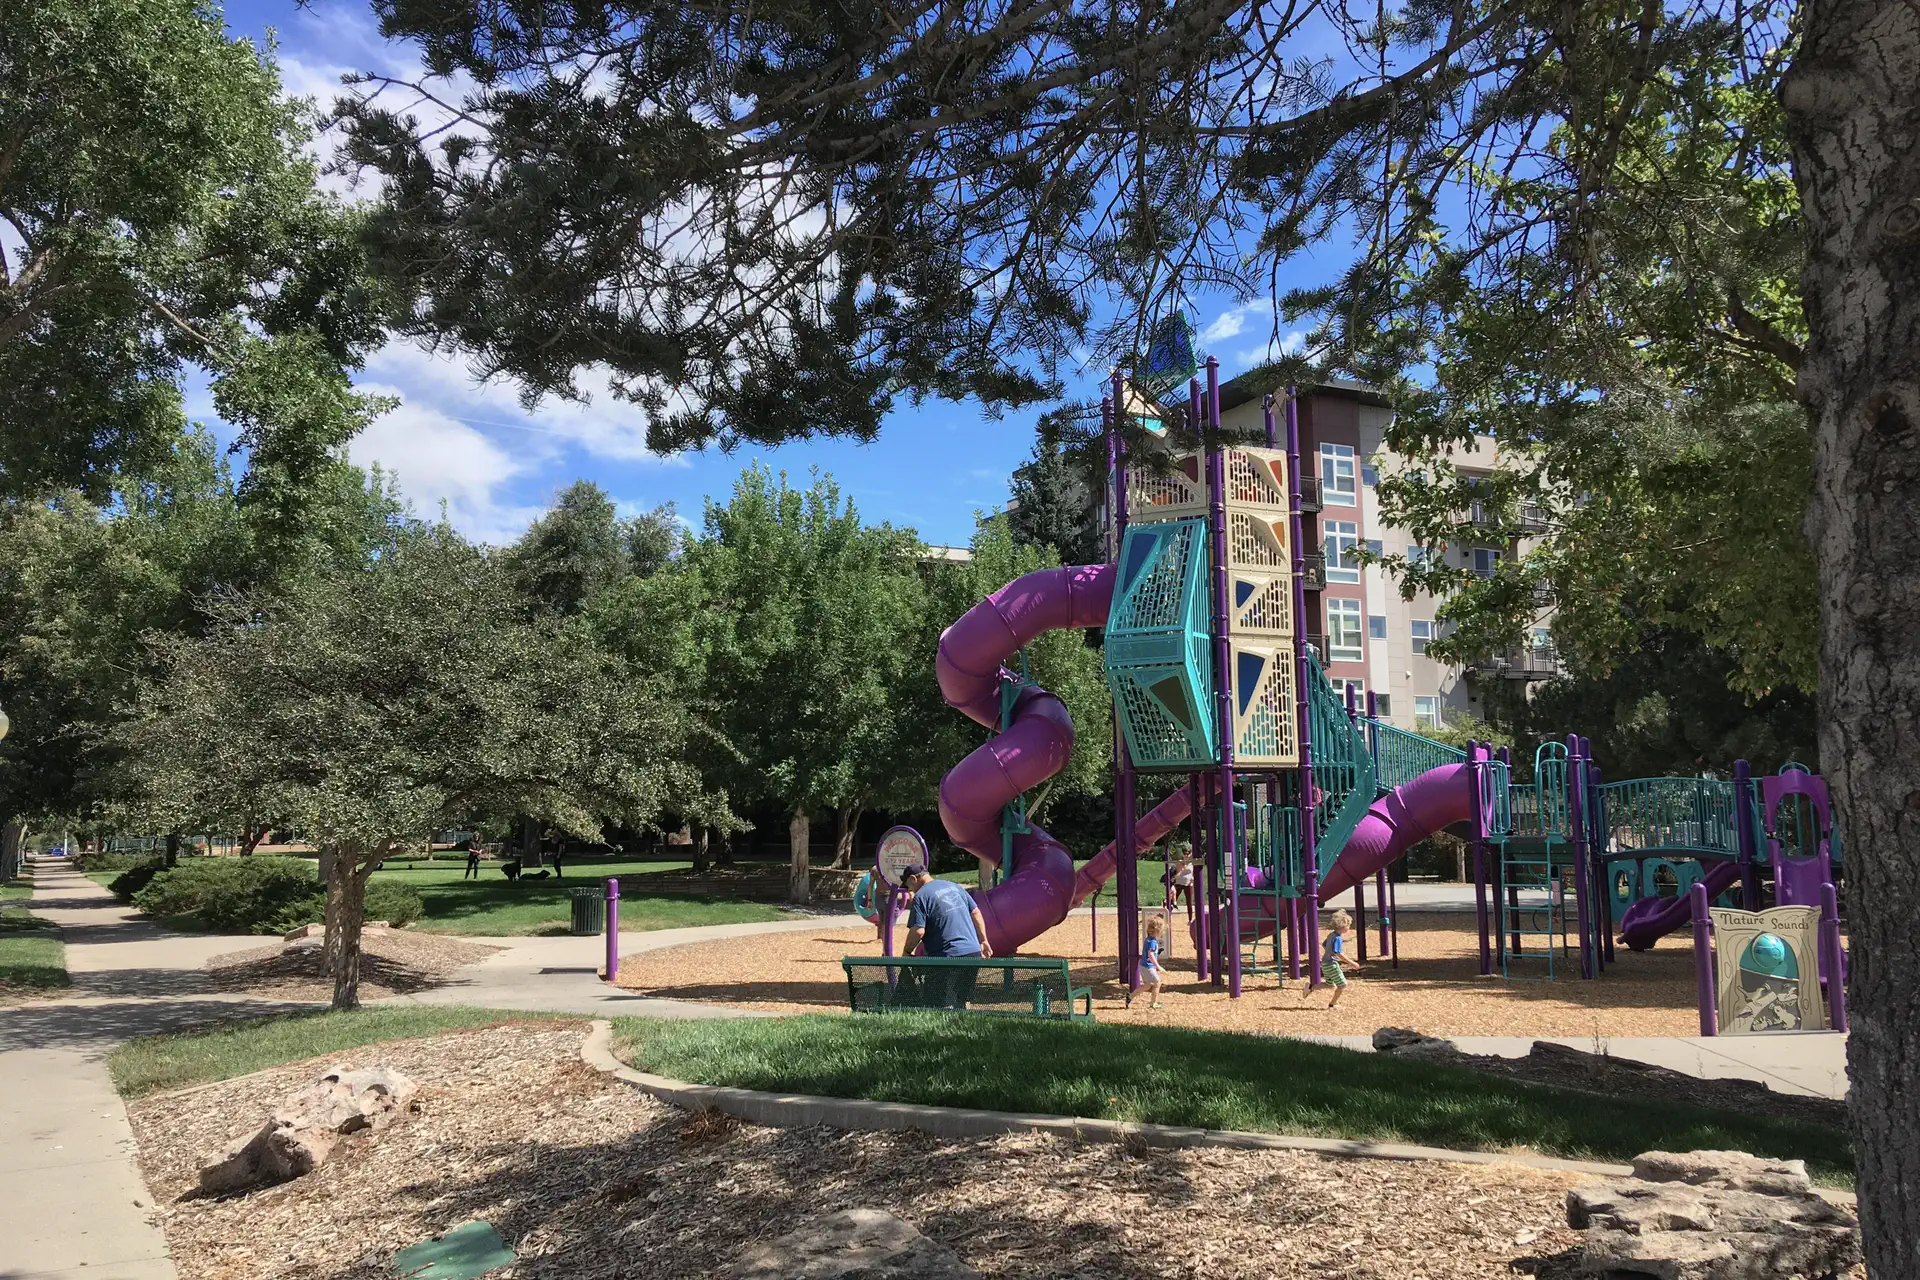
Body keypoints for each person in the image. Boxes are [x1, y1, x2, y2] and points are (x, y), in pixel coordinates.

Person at [901, 866, 992, 1010]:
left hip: (944, 957)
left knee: (935, 1004)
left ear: (913, 879)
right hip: (972, 953)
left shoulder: (921, 896)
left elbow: (918, 931)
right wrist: (983, 940)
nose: (910, 890)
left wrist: (907, 951)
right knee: (963, 1000)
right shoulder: (954, 886)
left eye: (908, 886)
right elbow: (976, 912)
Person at [1320, 908, 1363, 1008]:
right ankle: (1332, 1004)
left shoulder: (1331, 935)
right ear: (1343, 926)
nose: (1349, 928)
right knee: (1342, 985)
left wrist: (1329, 952)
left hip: (1325, 963)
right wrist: (1352, 963)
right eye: (1348, 926)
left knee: (1329, 984)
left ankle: (1310, 986)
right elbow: (1338, 953)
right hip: (1332, 964)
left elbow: (1324, 945)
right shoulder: (1338, 938)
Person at [1131, 913, 1167, 1009]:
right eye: (1162, 930)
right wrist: (1158, 966)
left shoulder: (1148, 939)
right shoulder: (1153, 942)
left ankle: (1130, 996)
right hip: (1148, 967)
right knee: (1157, 983)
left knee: (1147, 986)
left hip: (1143, 966)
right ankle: (1153, 1003)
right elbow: (1150, 955)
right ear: (1157, 931)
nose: (1163, 932)